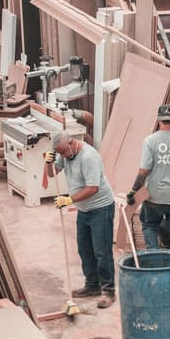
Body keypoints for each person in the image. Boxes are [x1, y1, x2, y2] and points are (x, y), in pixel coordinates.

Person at [45, 131, 117, 307]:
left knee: (102, 251)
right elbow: (52, 174)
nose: (62, 155)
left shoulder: (89, 157)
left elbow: (93, 188)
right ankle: (92, 285)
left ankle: (108, 291)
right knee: (85, 249)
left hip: (101, 208)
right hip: (84, 209)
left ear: (72, 143)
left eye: (63, 152)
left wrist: (69, 199)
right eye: (59, 153)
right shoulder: (66, 154)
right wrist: (47, 163)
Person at [127, 105, 170, 250]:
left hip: (154, 197)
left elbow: (143, 171)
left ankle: (154, 260)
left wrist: (133, 192)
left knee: (150, 226)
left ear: (159, 120)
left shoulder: (150, 141)